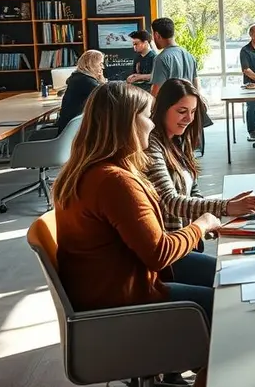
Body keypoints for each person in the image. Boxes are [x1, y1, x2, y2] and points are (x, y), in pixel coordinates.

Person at [52, 82, 221, 387]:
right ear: (126, 124)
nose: (152, 124)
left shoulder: (87, 170)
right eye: (146, 116)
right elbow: (159, 253)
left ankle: (195, 362)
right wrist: (202, 224)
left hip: (106, 290)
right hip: (125, 301)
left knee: (222, 276)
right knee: (226, 310)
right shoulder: (114, 182)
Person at [146, 79, 255, 232]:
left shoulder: (180, 140)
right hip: (173, 241)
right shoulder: (151, 144)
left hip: (190, 236)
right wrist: (226, 207)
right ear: (163, 109)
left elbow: (193, 191)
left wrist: (217, 214)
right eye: (182, 111)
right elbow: (170, 202)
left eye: (192, 112)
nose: (189, 119)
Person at [57, 50, 106, 133]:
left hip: (71, 130)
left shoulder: (78, 77)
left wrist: (101, 79)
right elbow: (107, 97)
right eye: (100, 64)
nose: (103, 67)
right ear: (91, 64)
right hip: (75, 133)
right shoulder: (87, 81)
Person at [150, 17, 199, 97]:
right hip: (188, 103)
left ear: (157, 35)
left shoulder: (161, 59)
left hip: (170, 104)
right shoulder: (190, 56)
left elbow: (156, 92)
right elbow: (196, 86)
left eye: (152, 35)